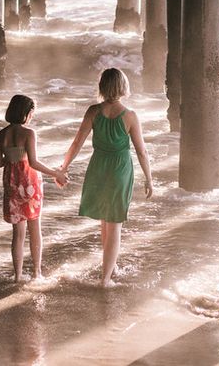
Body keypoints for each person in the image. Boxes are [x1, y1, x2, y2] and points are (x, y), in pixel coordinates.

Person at [60, 68, 153, 287]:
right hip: (119, 170)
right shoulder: (129, 115)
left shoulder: (93, 111)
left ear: (102, 86)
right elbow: (141, 151)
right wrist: (149, 178)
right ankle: (105, 279)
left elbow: (77, 142)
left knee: (105, 221)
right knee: (115, 224)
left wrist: (63, 167)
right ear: (123, 87)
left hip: (98, 168)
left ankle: (108, 269)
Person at [0, 94, 68, 282]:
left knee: (17, 234)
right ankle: (37, 273)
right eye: (31, 113)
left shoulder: (1, 134)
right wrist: (56, 173)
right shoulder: (29, 133)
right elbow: (33, 162)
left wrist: (11, 157)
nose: (32, 117)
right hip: (29, 184)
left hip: (11, 184)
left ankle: (17, 276)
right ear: (26, 113)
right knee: (35, 228)